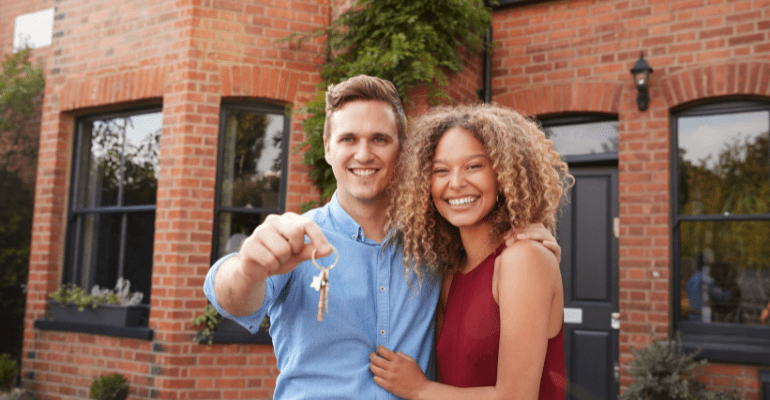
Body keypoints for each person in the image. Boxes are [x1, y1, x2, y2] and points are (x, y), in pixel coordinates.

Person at [204, 75, 561, 399]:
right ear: (328, 147)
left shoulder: (434, 246)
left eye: (379, 139)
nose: (364, 153)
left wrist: (531, 247)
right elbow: (234, 299)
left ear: (402, 150)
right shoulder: (299, 239)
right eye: (348, 139)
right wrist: (247, 269)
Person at [369, 104, 571, 399]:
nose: (456, 183)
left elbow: (515, 396)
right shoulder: (450, 273)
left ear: (503, 173)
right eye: (441, 170)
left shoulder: (522, 259)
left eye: (474, 166)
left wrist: (420, 389)